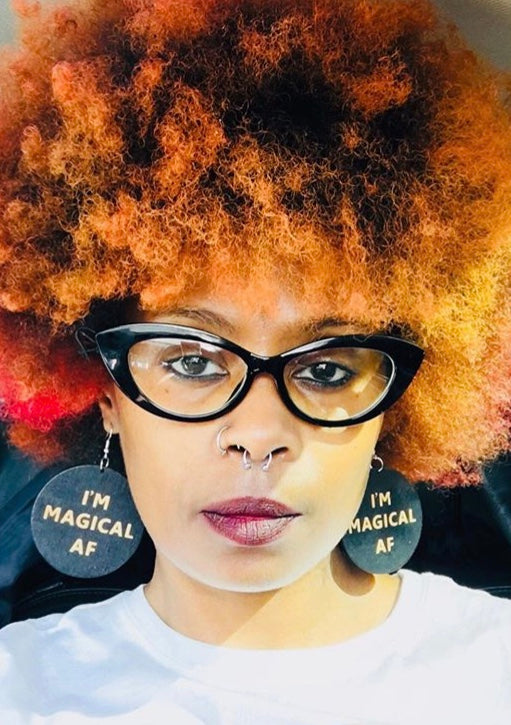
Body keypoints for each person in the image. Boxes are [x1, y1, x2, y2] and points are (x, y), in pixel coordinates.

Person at [0, 0, 510, 722]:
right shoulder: (20, 688)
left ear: (392, 410)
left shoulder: (493, 672)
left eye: (326, 369)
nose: (260, 434)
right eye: (191, 361)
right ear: (107, 396)